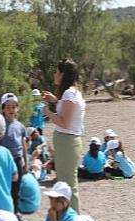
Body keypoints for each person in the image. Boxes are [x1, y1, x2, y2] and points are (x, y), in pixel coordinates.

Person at [42, 58, 85, 212]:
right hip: (67, 143)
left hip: (67, 143)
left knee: (68, 185)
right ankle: (69, 220)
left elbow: (64, 122)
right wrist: (56, 100)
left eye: (56, 71)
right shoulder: (71, 93)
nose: (55, 74)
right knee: (66, 183)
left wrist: (47, 112)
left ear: (62, 74)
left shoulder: (69, 94)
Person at [0, 93, 28, 221]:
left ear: (17, 109)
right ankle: (5, 213)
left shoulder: (20, 126)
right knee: (4, 187)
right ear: (3, 109)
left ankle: (16, 212)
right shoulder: (0, 126)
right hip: (4, 161)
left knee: (16, 189)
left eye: (14, 106)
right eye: (8, 107)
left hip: (17, 160)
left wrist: (25, 162)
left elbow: (23, 145)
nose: (11, 109)